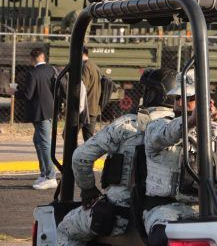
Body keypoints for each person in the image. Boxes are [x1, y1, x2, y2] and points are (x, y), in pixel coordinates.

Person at [55, 69, 177, 246]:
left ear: (153, 95)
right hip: (164, 214)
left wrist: (89, 190)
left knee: (64, 230)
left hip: (120, 214)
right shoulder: (183, 130)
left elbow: (80, 157)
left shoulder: (127, 125)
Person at [144, 70, 217, 245]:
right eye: (177, 98)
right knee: (164, 237)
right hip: (166, 208)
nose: (180, 102)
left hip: (215, 207)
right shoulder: (158, 126)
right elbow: (165, 134)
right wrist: (192, 121)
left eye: (189, 98)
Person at [15, 48, 58, 190]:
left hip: (39, 113)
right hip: (49, 111)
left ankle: (51, 176)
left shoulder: (32, 73)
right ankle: (44, 173)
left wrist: (14, 92)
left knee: (44, 143)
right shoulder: (51, 70)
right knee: (38, 141)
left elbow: (28, 95)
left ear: (32, 59)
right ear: (43, 57)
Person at [81, 46, 102, 140]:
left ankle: (74, 150)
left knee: (67, 134)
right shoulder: (93, 65)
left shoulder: (85, 67)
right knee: (88, 138)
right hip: (93, 107)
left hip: (86, 108)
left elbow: (82, 87)